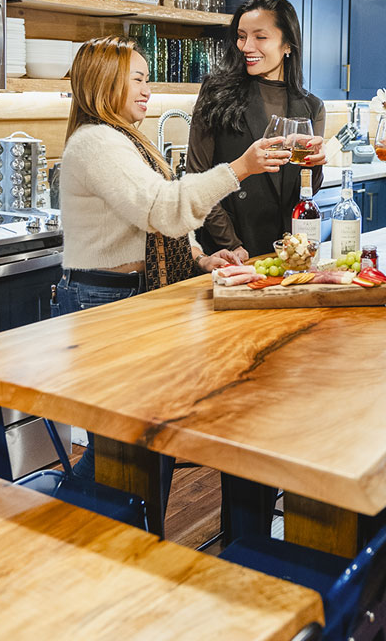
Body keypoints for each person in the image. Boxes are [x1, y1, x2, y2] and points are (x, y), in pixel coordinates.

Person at [55, 34, 291, 478]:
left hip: (127, 297)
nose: (148, 90)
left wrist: (200, 259)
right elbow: (163, 210)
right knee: (123, 454)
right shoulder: (98, 144)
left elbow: (152, 221)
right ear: (105, 82)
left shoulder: (123, 139)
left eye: (148, 79)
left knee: (144, 448)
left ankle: (130, 539)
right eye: (137, 80)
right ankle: (61, 536)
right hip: (105, 303)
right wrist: (239, 167)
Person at [187, 0, 326, 262]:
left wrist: (316, 163)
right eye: (241, 36)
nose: (246, 46)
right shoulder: (216, 92)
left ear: (287, 44)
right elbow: (197, 178)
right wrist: (232, 242)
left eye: (260, 37)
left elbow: (307, 190)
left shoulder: (312, 107)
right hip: (229, 250)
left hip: (286, 251)